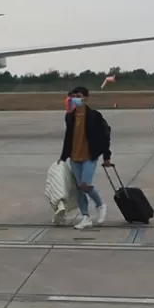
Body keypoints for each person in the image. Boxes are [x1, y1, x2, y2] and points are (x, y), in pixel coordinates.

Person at [59, 87, 111, 230]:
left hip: (89, 156)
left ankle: (100, 205)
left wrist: (107, 156)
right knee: (79, 189)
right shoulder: (70, 116)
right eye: (73, 95)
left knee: (85, 184)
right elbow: (68, 138)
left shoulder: (94, 115)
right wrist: (63, 157)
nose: (75, 98)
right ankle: (85, 217)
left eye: (79, 96)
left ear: (86, 97)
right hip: (74, 156)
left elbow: (105, 135)